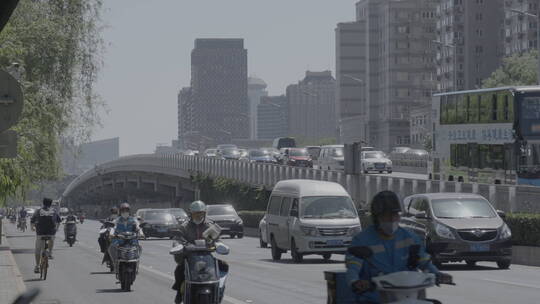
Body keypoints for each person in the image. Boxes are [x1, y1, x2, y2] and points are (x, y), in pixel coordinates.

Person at [345, 191, 452, 304]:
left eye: (395, 214)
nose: (392, 219)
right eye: (387, 215)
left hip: (411, 294)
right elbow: (353, 267)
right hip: (374, 297)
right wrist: (355, 281)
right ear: (377, 217)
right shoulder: (361, 240)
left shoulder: (410, 237)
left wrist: (438, 274)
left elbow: (424, 261)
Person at [171, 200, 218, 304]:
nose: (198, 215)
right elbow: (178, 239)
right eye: (196, 213)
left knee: (224, 266)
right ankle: (179, 293)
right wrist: (178, 245)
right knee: (179, 271)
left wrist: (219, 244)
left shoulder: (210, 226)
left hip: (206, 256)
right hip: (189, 257)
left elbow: (217, 239)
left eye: (201, 213)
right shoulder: (184, 226)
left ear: (204, 213)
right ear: (191, 213)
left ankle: (218, 293)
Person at [107, 203, 144, 272]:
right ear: (120, 211)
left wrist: (141, 233)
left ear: (129, 211)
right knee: (111, 248)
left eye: (126, 210)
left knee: (139, 247)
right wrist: (111, 234)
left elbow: (138, 227)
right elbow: (113, 228)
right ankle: (115, 263)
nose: (125, 212)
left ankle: (136, 263)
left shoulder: (133, 220)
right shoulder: (117, 220)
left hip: (132, 239)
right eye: (123, 210)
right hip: (119, 239)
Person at [30, 198, 62, 273]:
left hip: (40, 233)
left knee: (38, 250)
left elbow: (32, 220)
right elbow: (58, 221)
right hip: (51, 232)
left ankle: (37, 266)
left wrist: (32, 228)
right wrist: (56, 229)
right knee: (52, 238)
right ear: (51, 204)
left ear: (43, 203)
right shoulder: (54, 211)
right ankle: (50, 253)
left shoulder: (38, 211)